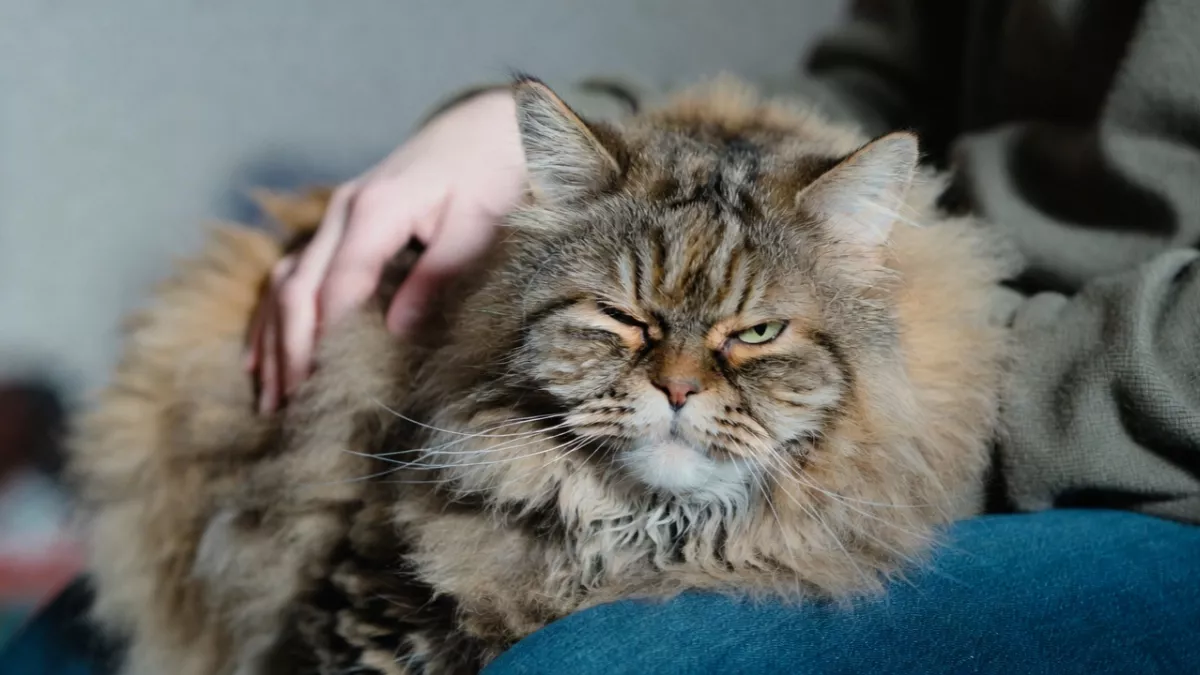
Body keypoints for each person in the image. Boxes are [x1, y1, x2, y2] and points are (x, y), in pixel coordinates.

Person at [5, 1, 1199, 673]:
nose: (678, 382)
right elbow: (864, 89)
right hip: (826, 247)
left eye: (732, 347)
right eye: (629, 331)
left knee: (600, 671)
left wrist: (957, 399)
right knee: (53, 650)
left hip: (1126, 456)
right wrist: (549, 137)